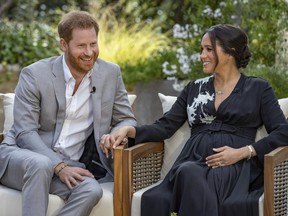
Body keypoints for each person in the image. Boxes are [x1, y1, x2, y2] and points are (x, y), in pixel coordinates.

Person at [110, 24, 288, 216]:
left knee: (189, 174)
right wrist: (130, 130)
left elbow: (283, 132)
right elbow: (165, 127)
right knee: (188, 172)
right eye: (201, 49)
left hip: (234, 165)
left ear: (231, 52)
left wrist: (244, 152)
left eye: (209, 49)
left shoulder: (258, 88)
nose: (202, 55)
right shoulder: (194, 88)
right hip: (193, 160)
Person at [0, 10, 136, 216]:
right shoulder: (34, 75)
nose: (89, 52)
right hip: (22, 159)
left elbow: (125, 117)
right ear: (63, 44)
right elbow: (24, 133)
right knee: (41, 164)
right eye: (81, 46)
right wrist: (59, 166)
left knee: (91, 190)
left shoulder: (110, 73)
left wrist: (118, 131)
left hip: (70, 164)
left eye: (93, 44)